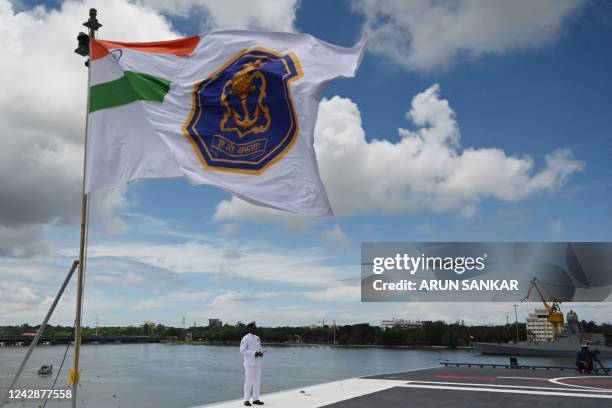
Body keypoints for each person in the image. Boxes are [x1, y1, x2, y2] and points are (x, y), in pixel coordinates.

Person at [240, 322, 264, 406]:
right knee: (248, 382)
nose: (254, 329)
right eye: (252, 328)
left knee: (257, 382)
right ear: (249, 329)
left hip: (257, 363)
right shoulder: (245, 338)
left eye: (255, 328)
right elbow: (242, 350)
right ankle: (246, 400)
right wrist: (254, 353)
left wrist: (261, 353)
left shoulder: (257, 338)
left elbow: (260, 347)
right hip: (249, 364)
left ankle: (255, 399)